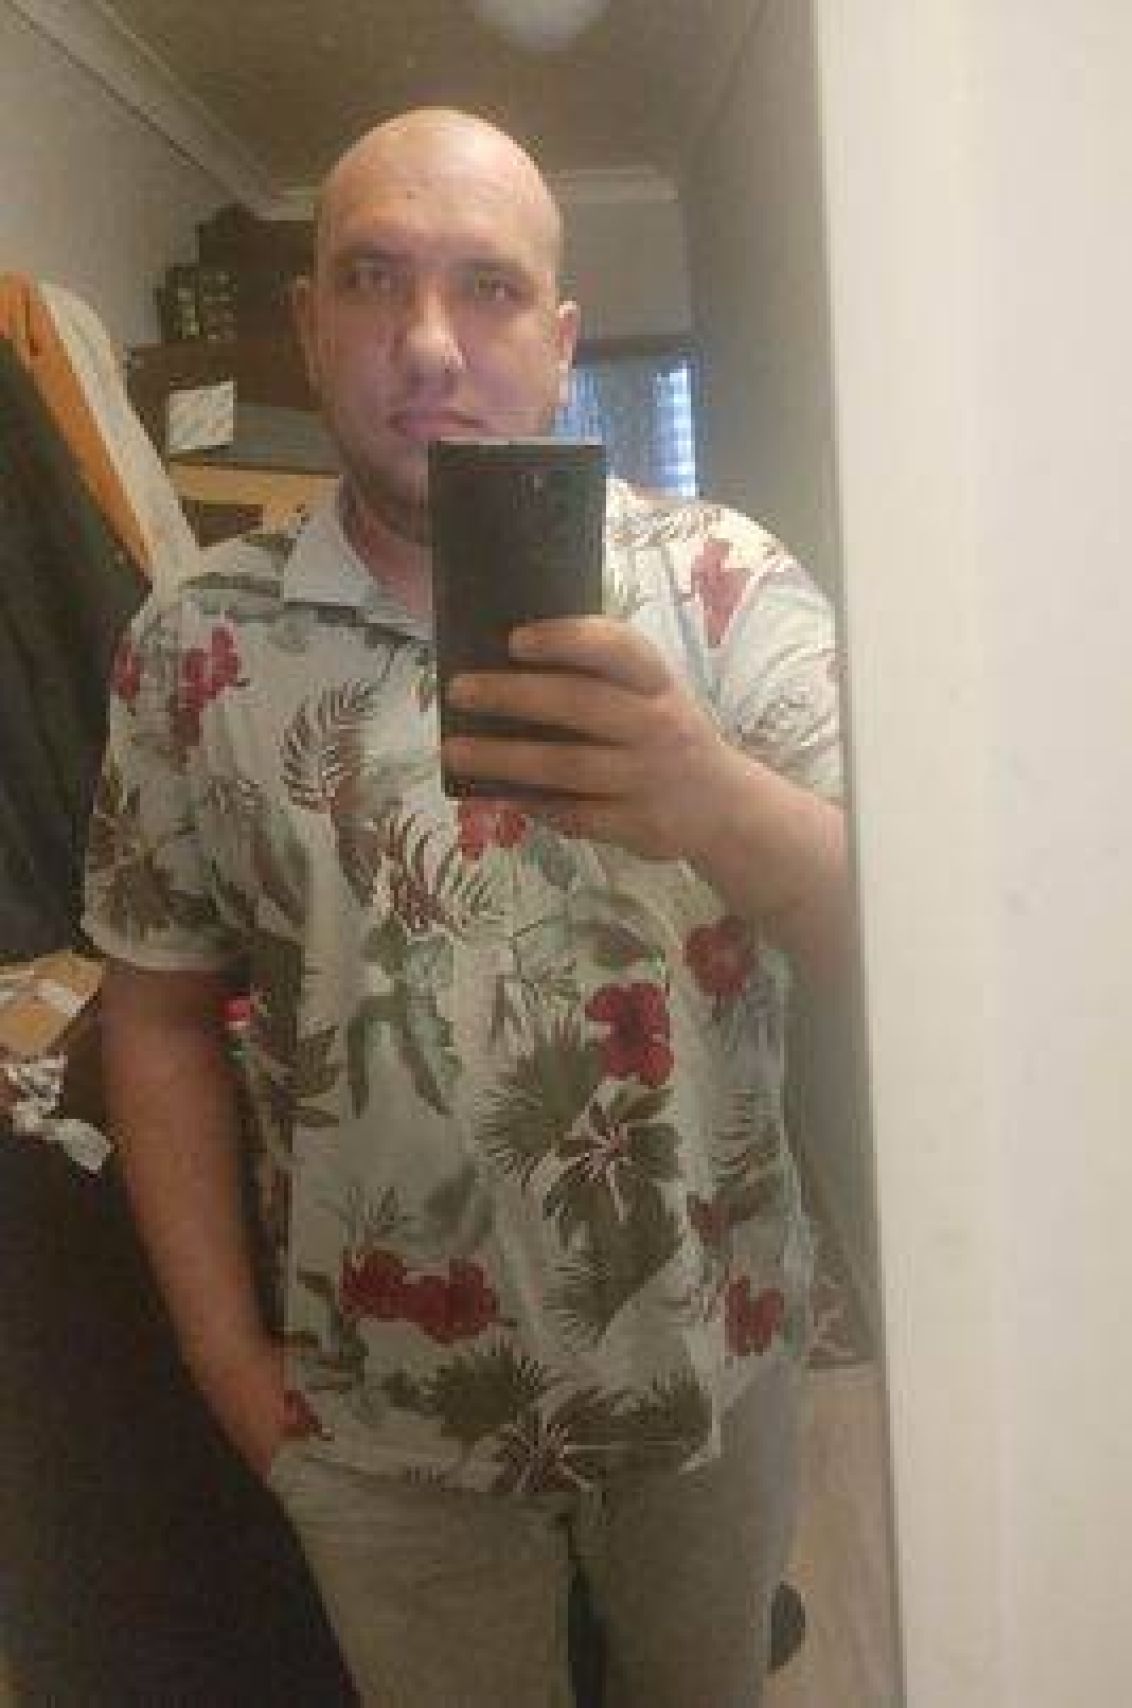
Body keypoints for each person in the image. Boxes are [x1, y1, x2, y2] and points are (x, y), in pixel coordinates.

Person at [82, 108, 848, 1707]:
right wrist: (225, 1359)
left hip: (707, 1367)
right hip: (380, 1416)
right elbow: (154, 1012)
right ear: (309, 326)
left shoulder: (722, 587)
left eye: (488, 287)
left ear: (561, 342)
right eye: (374, 279)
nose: (429, 343)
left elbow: (904, 940)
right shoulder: (194, 641)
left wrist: (706, 791)